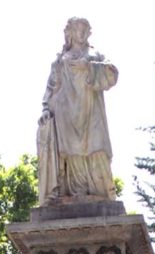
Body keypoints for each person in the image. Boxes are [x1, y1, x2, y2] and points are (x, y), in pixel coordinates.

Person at [37, 17, 118, 205]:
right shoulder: (59, 60)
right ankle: (74, 192)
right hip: (65, 112)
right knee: (71, 154)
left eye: (84, 29)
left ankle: (100, 191)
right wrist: (45, 109)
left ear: (89, 33)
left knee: (97, 149)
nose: (80, 33)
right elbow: (51, 86)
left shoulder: (95, 54)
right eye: (76, 29)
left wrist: (89, 67)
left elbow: (112, 75)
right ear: (69, 33)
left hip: (91, 111)